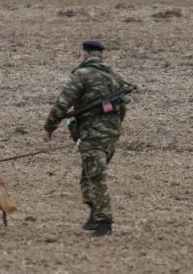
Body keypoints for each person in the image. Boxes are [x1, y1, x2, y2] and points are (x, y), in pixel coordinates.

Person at [42, 40, 132, 236]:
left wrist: (49, 127)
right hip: (111, 135)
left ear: (85, 54)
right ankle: (93, 216)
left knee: (96, 177)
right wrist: (113, 127)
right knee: (88, 175)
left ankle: (104, 222)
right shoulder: (115, 77)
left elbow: (63, 102)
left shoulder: (82, 75)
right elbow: (122, 108)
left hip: (93, 135)